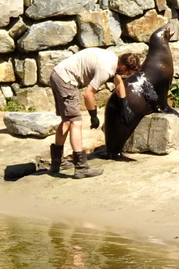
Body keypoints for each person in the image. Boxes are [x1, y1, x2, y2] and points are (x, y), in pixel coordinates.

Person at [49, 49, 141, 178]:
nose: (127, 75)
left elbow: (118, 81)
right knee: (76, 122)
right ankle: (81, 167)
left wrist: (124, 103)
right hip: (67, 80)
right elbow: (88, 94)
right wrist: (93, 115)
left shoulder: (113, 59)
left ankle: (57, 162)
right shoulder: (105, 70)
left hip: (58, 74)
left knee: (67, 121)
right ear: (123, 66)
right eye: (128, 72)